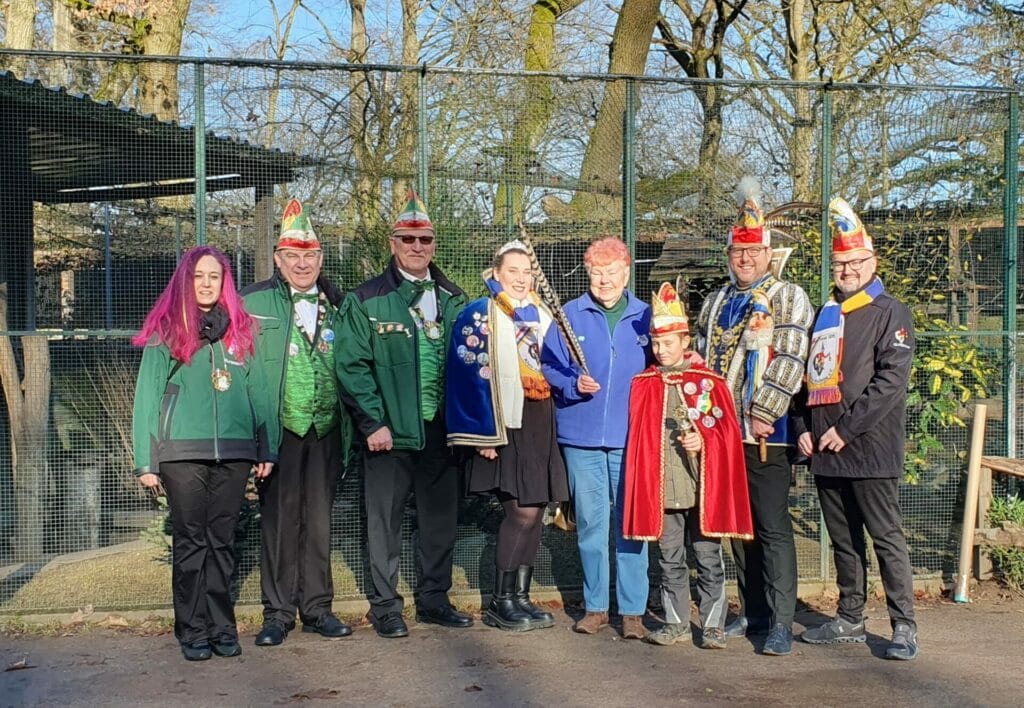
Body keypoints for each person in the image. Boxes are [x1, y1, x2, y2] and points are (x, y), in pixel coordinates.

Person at [337, 190, 472, 638]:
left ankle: (434, 599)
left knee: (439, 520)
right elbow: (352, 365)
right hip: (389, 433)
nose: (418, 249)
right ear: (392, 244)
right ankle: (385, 606)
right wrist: (372, 422)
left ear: (435, 245)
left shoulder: (455, 298)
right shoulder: (367, 299)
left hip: (442, 430)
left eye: (426, 241)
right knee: (384, 521)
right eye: (408, 240)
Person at [132, 246, 276, 661]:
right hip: (181, 453)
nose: (207, 283)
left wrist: (266, 447)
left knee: (222, 541)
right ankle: (192, 630)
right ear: (185, 281)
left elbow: (260, 392)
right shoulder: (166, 330)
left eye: (214, 276)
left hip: (234, 453)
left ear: (225, 282)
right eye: (198, 276)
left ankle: (221, 627)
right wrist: (147, 459)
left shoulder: (241, 331)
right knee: (191, 543)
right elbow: (148, 397)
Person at [693, 179, 813, 656]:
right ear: (729, 254)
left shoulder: (787, 296)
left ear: (768, 254)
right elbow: (702, 359)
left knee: (771, 525)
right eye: (738, 251)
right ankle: (755, 611)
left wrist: (764, 411)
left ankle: (782, 620)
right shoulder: (717, 300)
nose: (745, 259)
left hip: (767, 433)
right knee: (738, 525)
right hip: (721, 434)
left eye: (754, 251)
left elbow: (791, 355)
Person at [796, 198, 918, 661]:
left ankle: (904, 625)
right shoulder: (825, 315)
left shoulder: (891, 312)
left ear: (873, 263)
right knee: (843, 539)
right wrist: (804, 426)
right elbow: (807, 379)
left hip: (869, 447)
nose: (846, 269)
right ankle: (849, 615)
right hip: (825, 449)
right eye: (840, 262)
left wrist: (845, 430)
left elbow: (890, 382)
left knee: (885, 537)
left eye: (854, 262)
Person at [242, 199, 352, 646]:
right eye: (293, 256)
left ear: (320, 258)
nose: (302, 264)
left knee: (320, 519)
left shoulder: (341, 304)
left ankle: (318, 608)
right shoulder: (253, 302)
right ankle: (277, 612)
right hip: (279, 428)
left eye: (310, 256)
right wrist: (253, 435)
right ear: (278, 259)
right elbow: (240, 369)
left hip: (325, 426)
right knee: (280, 519)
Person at [621, 283, 753, 649]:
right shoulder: (644, 384)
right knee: (669, 560)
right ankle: (677, 621)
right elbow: (639, 441)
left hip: (701, 488)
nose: (661, 350)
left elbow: (725, 433)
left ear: (684, 340)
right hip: (663, 489)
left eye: (668, 343)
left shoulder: (709, 383)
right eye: (656, 344)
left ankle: (712, 625)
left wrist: (704, 441)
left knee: (709, 557)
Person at [447, 240, 570, 631]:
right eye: (512, 271)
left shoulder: (544, 315)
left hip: (539, 419)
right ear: (497, 272)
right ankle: (501, 601)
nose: (520, 279)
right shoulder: (479, 314)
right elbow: (466, 376)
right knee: (521, 511)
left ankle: (521, 595)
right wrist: (482, 434)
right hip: (503, 424)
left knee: (536, 512)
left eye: (526, 271)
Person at [540, 236, 652, 638]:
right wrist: (573, 384)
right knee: (590, 524)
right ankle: (596, 607)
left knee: (631, 525)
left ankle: (634, 611)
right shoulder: (570, 315)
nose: (603, 280)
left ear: (626, 272)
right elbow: (549, 365)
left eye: (610, 272)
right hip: (581, 437)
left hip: (631, 440)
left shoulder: (646, 317)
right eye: (595, 273)